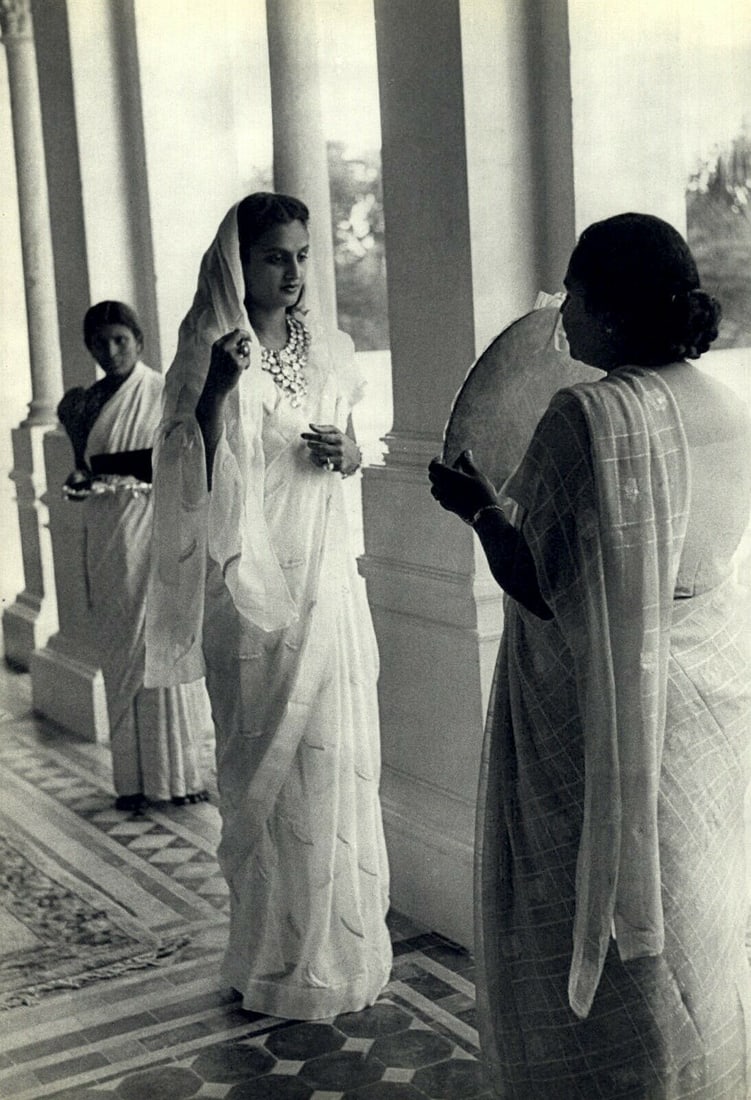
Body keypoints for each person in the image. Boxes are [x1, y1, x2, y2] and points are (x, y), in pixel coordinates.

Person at [429, 213, 751, 1098]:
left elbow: (539, 586)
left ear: (608, 310)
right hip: (705, 694)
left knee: (593, 907)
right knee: (693, 911)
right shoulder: (729, 403)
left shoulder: (588, 412)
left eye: (571, 296)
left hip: (601, 700)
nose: (560, 317)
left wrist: (477, 509)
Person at [145, 193, 392, 1020]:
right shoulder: (205, 350)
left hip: (326, 580)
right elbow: (185, 474)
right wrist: (217, 390)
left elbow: (353, 443)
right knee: (263, 773)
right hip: (249, 594)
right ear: (236, 262)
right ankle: (272, 958)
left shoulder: (331, 347)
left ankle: (337, 956)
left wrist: (347, 451)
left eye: (300, 256)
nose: (290, 273)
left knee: (329, 759)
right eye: (273, 257)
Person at [57, 301, 210, 812]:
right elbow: (83, 469)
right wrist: (80, 482)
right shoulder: (83, 404)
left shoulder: (162, 393)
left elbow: (186, 460)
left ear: (139, 341)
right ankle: (133, 781)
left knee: (159, 641)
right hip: (106, 532)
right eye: (100, 343)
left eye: (120, 339)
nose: (111, 350)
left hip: (154, 529)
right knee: (122, 647)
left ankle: (179, 775)